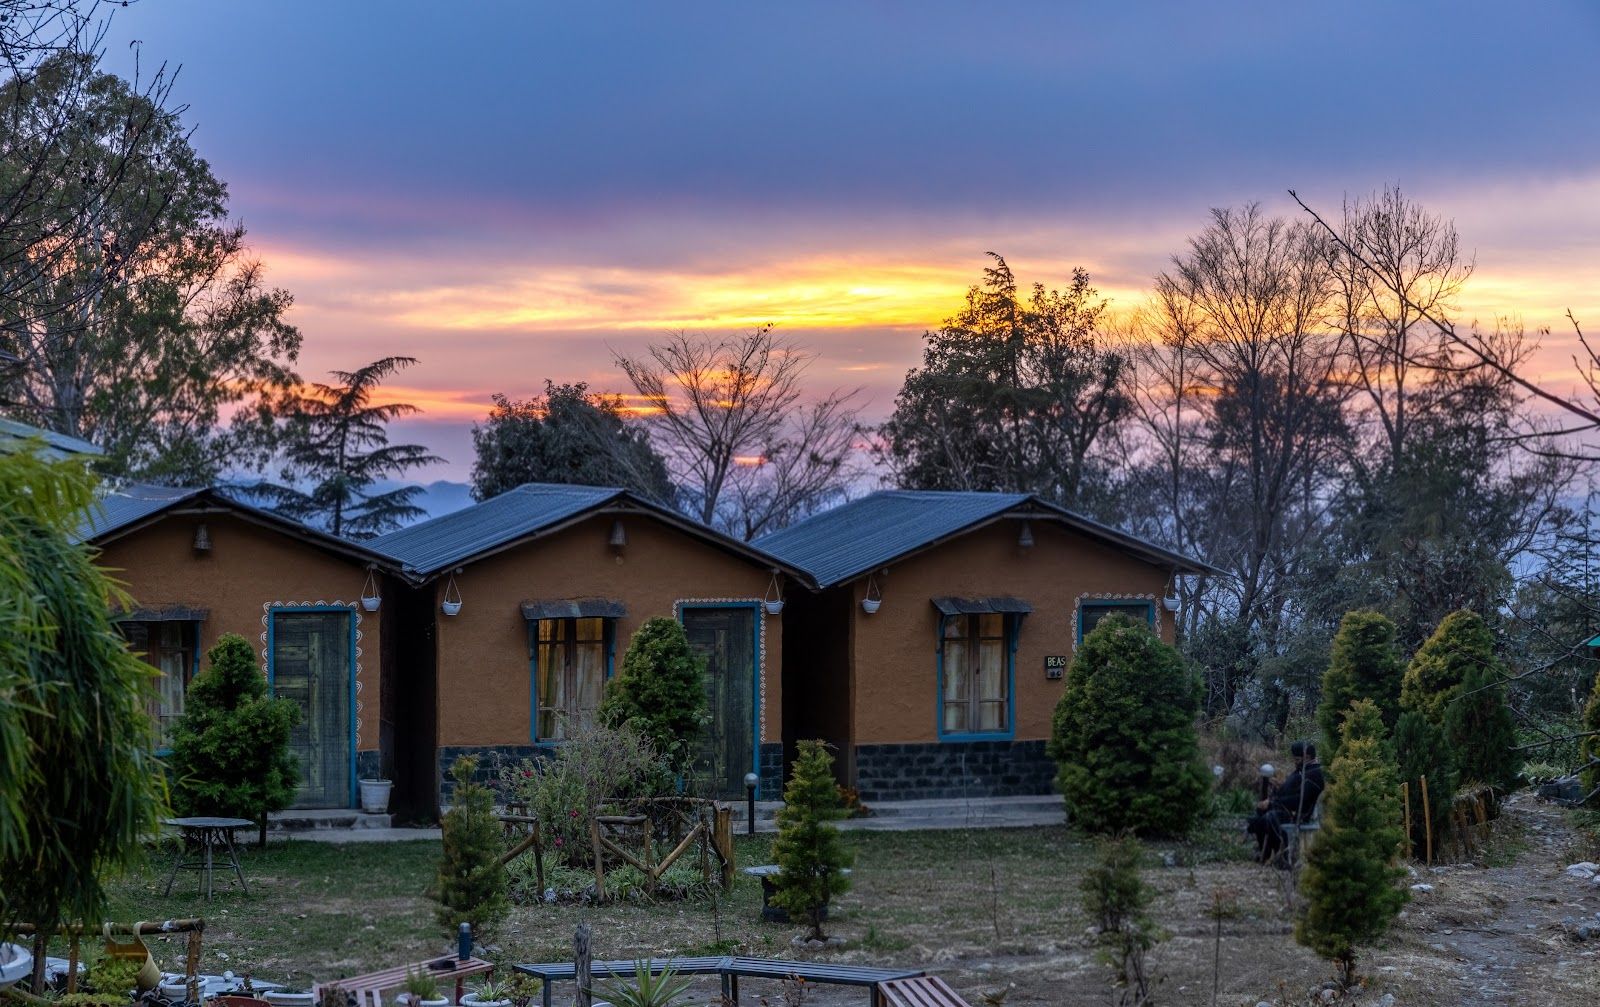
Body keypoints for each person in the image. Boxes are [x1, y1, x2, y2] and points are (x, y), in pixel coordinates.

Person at [1246, 740, 1323, 865]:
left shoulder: (1314, 774)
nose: (1295, 762)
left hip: (1298, 815)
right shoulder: (1303, 770)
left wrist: (1272, 803)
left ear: (1307, 757)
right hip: (1285, 808)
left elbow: (1301, 801)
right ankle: (1266, 853)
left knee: (1268, 818)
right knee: (1258, 816)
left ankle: (1280, 856)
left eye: (1297, 759)